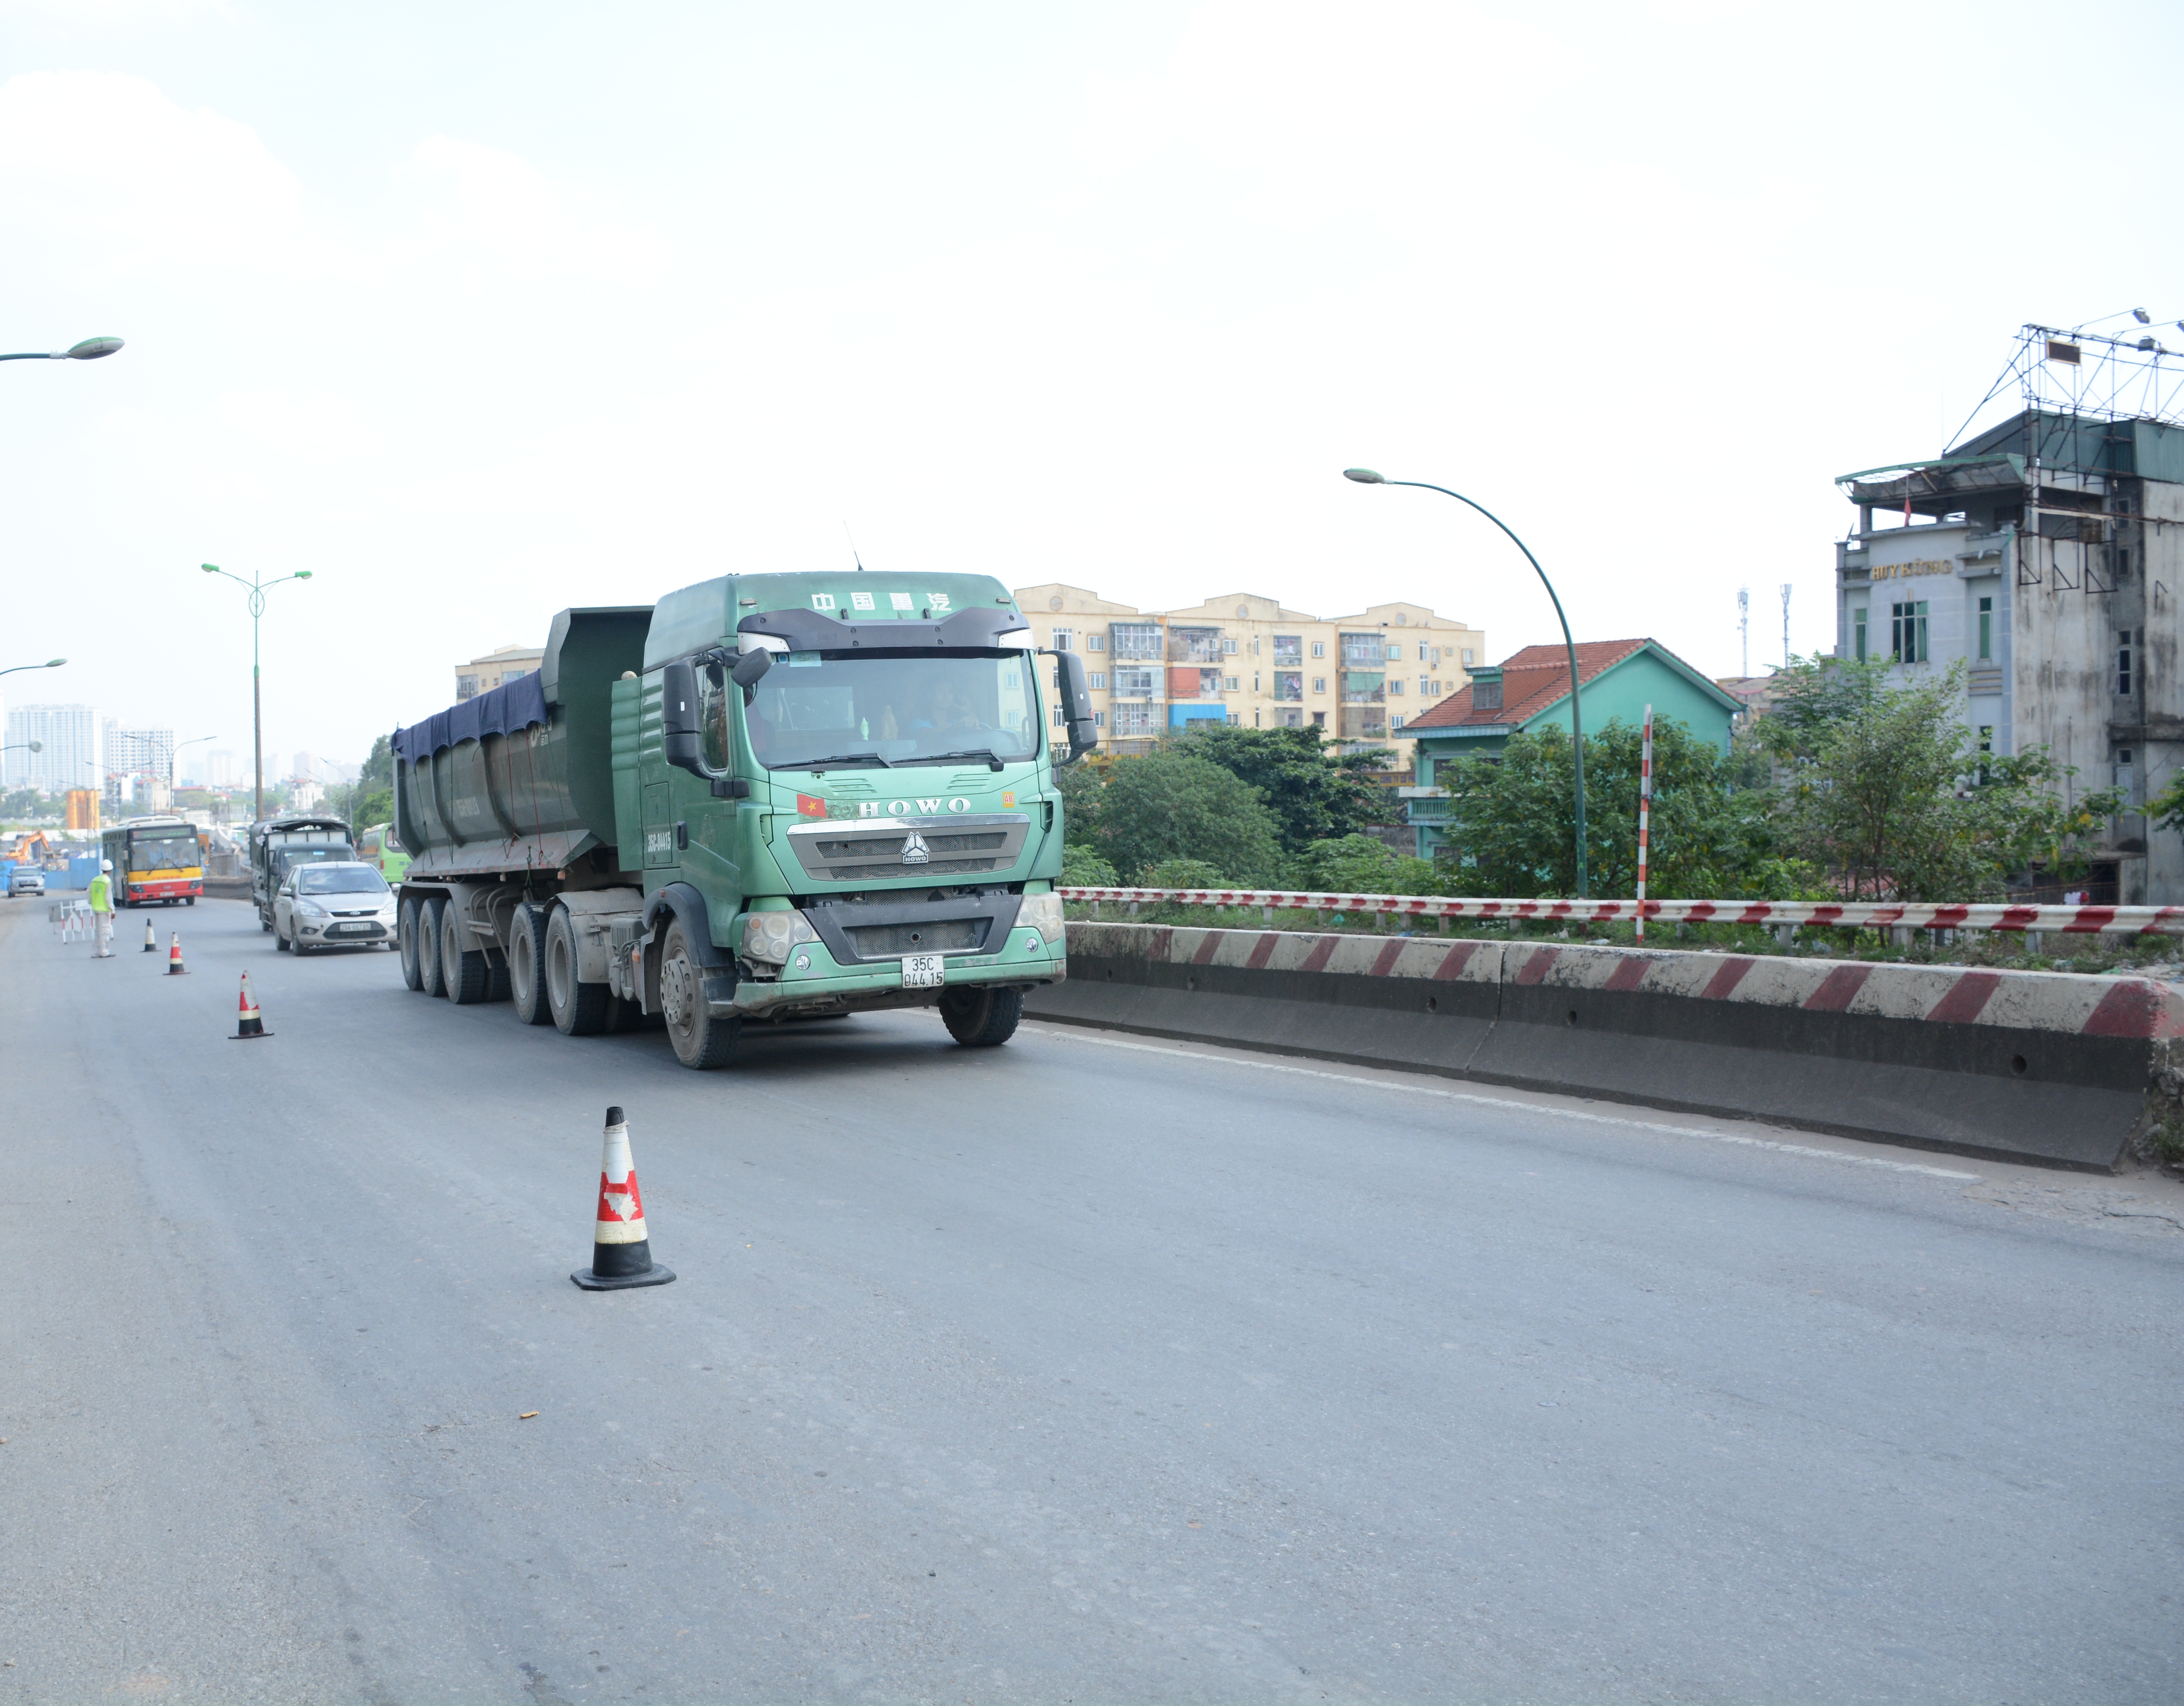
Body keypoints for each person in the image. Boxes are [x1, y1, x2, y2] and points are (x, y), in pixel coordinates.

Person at [88, 858, 115, 958]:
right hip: (104, 910)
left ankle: (96, 952)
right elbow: (109, 898)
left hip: (96, 909)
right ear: (110, 870)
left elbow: (88, 892)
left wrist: (92, 902)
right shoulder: (107, 881)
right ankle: (104, 952)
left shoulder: (95, 880)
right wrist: (112, 910)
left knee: (98, 932)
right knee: (105, 932)